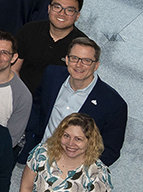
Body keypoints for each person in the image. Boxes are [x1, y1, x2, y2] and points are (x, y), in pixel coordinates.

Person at [20, 37, 127, 170]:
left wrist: (78, 171)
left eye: (87, 61)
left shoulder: (113, 103)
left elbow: (110, 150)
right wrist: (30, 142)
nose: (78, 65)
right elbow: (37, 108)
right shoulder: (52, 75)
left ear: (96, 65)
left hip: (74, 173)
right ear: (67, 59)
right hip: (37, 160)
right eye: (74, 58)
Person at [14, 0, 88, 105]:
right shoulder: (29, 30)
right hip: (18, 97)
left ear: (77, 16)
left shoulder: (82, 46)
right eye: (57, 7)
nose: (62, 13)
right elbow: (14, 68)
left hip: (55, 106)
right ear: (49, 8)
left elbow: (80, 84)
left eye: (69, 10)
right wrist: (21, 97)